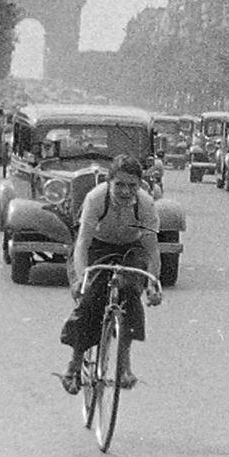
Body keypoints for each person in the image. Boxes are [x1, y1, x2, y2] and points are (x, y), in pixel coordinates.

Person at [59, 155, 162, 393]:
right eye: (120, 185)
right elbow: (82, 244)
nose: (126, 192)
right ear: (109, 182)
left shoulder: (145, 205)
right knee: (90, 300)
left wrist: (152, 284)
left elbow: (151, 249)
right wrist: (82, 278)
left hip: (130, 249)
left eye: (132, 186)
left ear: (140, 186)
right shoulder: (96, 198)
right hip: (97, 246)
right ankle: (73, 366)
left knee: (129, 296)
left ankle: (124, 366)